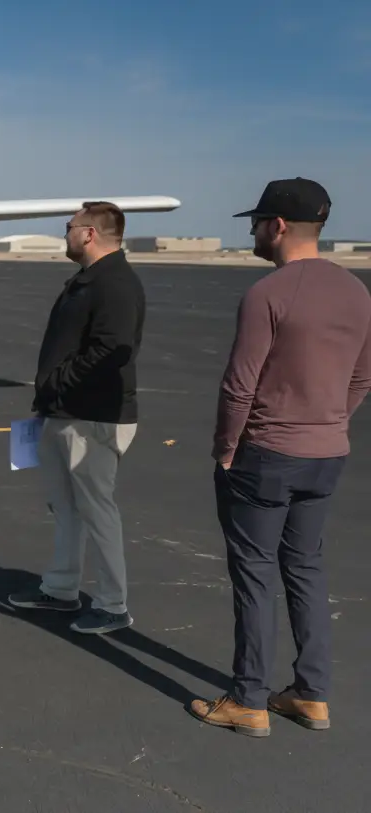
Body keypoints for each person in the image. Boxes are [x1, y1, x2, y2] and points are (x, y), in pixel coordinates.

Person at [189, 178, 371, 737]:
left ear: (280, 227)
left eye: (257, 221)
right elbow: (363, 375)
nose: (251, 230)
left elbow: (239, 387)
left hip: (266, 455)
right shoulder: (358, 293)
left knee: (255, 575)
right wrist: (331, 420)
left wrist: (225, 449)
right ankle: (311, 694)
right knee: (307, 569)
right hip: (327, 452)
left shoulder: (268, 293)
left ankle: (249, 698)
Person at [8, 201, 145, 635]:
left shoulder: (116, 283)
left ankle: (112, 603)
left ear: (89, 233)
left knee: (96, 508)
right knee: (65, 506)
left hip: (93, 414)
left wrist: (59, 381)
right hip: (64, 411)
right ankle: (61, 589)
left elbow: (111, 349)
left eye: (68, 227)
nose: (64, 233)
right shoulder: (88, 281)